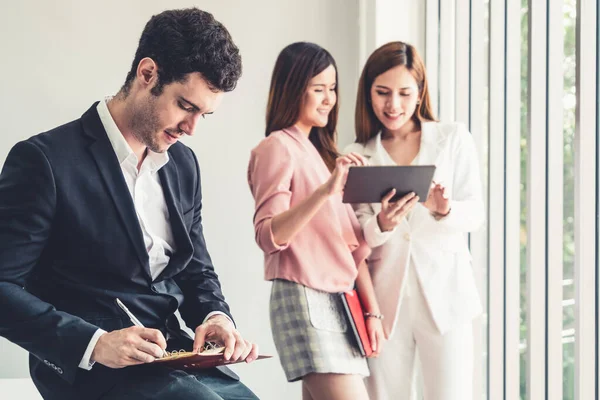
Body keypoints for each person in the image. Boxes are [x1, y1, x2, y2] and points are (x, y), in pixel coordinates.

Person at [0, 8, 259, 400]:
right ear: (147, 74)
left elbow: (196, 271)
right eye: (186, 107)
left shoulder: (183, 165)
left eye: (204, 114)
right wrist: (95, 343)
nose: (192, 129)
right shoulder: (44, 161)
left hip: (172, 354)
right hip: (91, 369)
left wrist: (215, 317)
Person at [344, 41, 485, 400]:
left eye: (405, 93)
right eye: (383, 93)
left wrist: (444, 210)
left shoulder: (452, 138)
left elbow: (476, 212)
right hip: (385, 302)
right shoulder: (357, 154)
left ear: (420, 92)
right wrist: (384, 225)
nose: (394, 105)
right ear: (368, 93)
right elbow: (358, 235)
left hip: (447, 297)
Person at [247, 42, 385, 400]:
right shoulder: (276, 148)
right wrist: (325, 191)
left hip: (340, 301)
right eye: (319, 89)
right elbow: (268, 234)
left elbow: (351, 250)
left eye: (333, 88)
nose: (329, 99)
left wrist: (373, 313)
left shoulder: (325, 157)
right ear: (294, 89)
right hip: (305, 298)